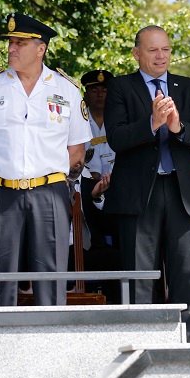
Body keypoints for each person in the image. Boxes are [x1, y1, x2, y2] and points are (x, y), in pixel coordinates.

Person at [0, 13, 91, 306]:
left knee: (50, 276)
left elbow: (76, 151)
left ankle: (50, 341)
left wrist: (57, 183)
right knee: (0, 277)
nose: (11, 48)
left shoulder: (66, 90)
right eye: (10, 42)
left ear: (40, 48)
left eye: (20, 42)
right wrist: (2, 170)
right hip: (0, 190)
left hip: (50, 192)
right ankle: (0, 341)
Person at [103, 25, 190, 341]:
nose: (160, 56)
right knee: (140, 277)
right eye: (153, 50)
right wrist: (152, 123)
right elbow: (117, 138)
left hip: (183, 194)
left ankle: (186, 345)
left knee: (185, 276)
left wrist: (179, 127)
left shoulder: (188, 87)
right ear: (136, 53)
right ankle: (144, 344)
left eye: (165, 49)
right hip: (140, 195)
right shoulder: (121, 88)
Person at [79, 69, 116, 248]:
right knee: (93, 237)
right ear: (86, 94)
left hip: (117, 184)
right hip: (87, 184)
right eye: (94, 90)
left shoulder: (119, 119)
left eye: (104, 90)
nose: (100, 94)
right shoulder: (79, 120)